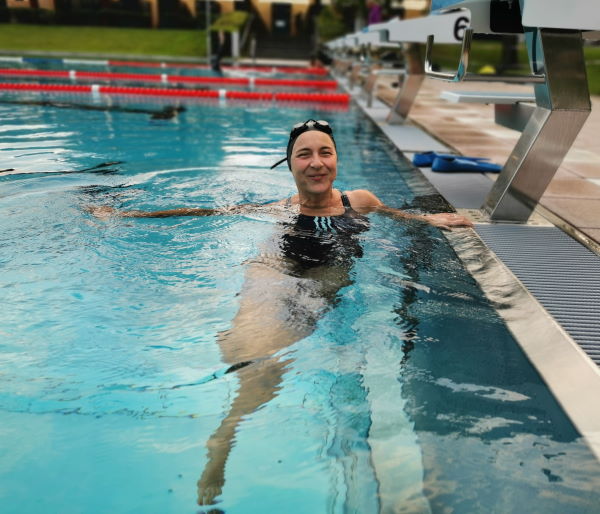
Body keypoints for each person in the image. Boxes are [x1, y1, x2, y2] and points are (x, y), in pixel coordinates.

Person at [89, 119, 472, 505]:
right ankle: (228, 426)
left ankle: (230, 418)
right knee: (254, 341)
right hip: (277, 265)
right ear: (289, 165)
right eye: (304, 155)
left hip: (323, 277)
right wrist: (126, 217)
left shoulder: (361, 201)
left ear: (337, 159)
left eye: (325, 152)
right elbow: (208, 212)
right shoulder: (278, 210)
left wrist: (429, 219)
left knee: (279, 346)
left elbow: (396, 216)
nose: (316, 162)